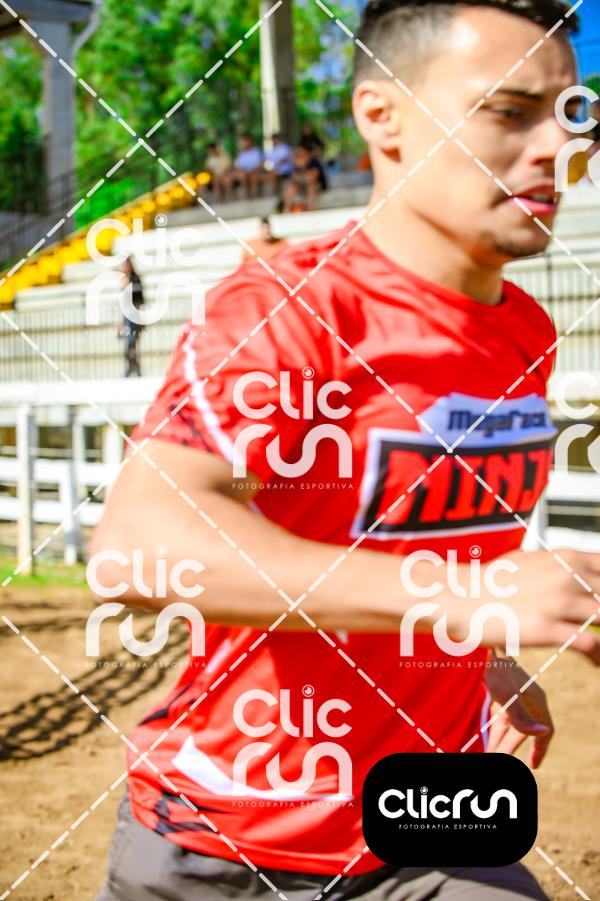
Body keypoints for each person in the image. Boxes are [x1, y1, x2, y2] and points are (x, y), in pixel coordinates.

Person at [92, 1, 598, 899]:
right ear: (382, 115)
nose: (560, 148)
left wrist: (482, 649)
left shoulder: (526, 330)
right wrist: (471, 597)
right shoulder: (287, 309)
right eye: (510, 111)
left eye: (573, 115)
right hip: (230, 839)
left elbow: (407, 539)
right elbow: (138, 546)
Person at [117, 256, 145, 378]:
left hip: (134, 317)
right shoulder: (124, 278)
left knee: (131, 344)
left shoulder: (135, 278)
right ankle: (133, 369)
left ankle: (133, 370)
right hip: (126, 317)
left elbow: (140, 299)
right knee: (128, 346)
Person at [221, 134, 264, 201]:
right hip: (242, 173)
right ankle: (231, 200)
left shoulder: (257, 151)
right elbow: (237, 166)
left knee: (247, 176)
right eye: (242, 142)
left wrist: (252, 170)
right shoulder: (241, 154)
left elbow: (262, 163)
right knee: (227, 179)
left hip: (254, 172)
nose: (243, 143)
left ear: (250, 141)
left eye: (244, 141)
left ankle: (250, 197)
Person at [282, 145, 324, 211]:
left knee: (311, 186)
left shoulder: (314, 162)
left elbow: (311, 179)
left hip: (317, 186)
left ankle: (311, 208)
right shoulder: (295, 164)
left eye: (301, 154)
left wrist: (302, 168)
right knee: (290, 187)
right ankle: (286, 209)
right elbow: (294, 178)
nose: (299, 156)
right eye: (298, 154)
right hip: (302, 185)